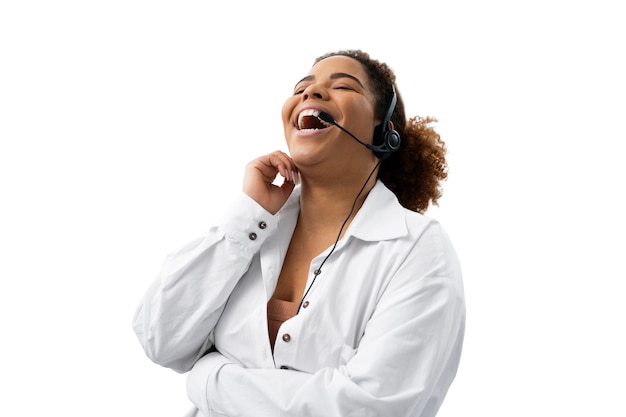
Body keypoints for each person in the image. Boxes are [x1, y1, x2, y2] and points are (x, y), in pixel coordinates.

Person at [133, 49, 465, 417]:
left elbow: (370, 408)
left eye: (342, 86)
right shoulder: (254, 229)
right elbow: (160, 338)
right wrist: (249, 214)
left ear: (384, 134)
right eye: (302, 88)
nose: (311, 94)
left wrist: (207, 379)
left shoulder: (416, 248)